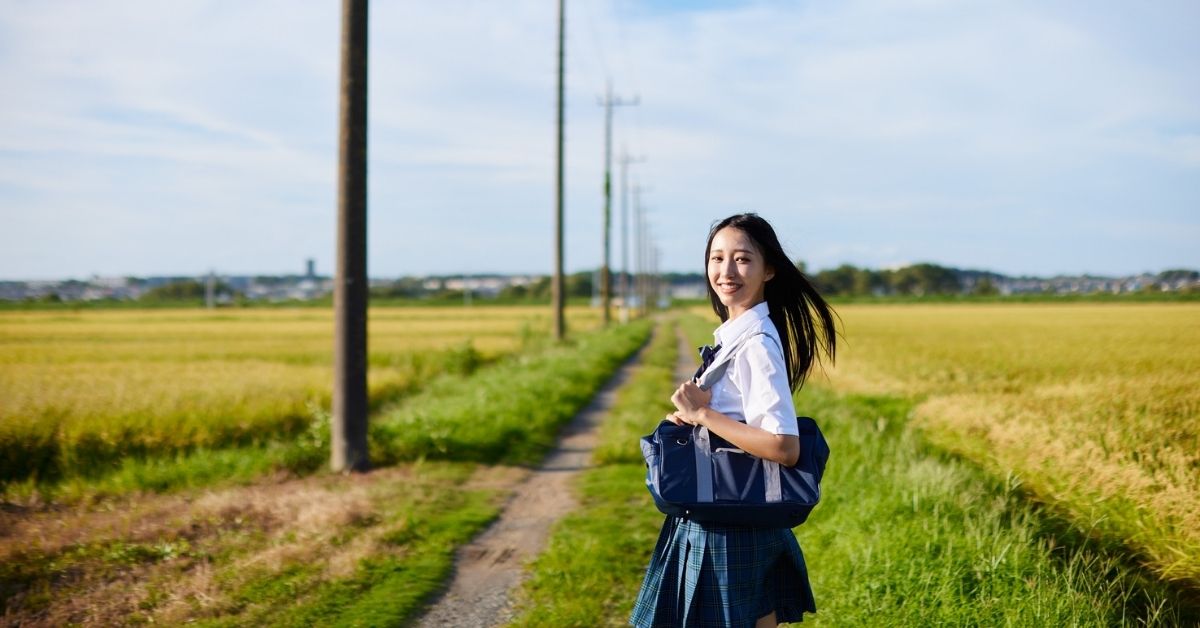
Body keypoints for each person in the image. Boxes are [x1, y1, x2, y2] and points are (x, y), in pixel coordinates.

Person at [630, 213, 838, 628]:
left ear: (769, 270)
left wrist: (703, 414)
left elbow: (784, 446)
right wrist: (697, 418)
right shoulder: (737, 336)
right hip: (726, 517)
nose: (725, 271)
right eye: (717, 258)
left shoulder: (757, 345)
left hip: (730, 526)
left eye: (742, 259)